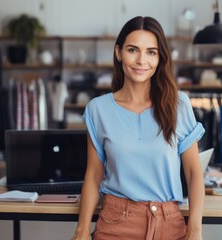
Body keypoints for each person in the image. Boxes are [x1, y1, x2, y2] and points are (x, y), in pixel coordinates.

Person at [71, 16, 205, 240]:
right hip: (116, 223)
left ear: (160, 57)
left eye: (151, 52)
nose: (142, 60)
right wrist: (82, 230)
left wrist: (195, 230)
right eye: (133, 50)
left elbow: (193, 173)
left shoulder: (178, 104)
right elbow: (94, 175)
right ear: (118, 53)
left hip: (170, 224)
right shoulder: (98, 109)